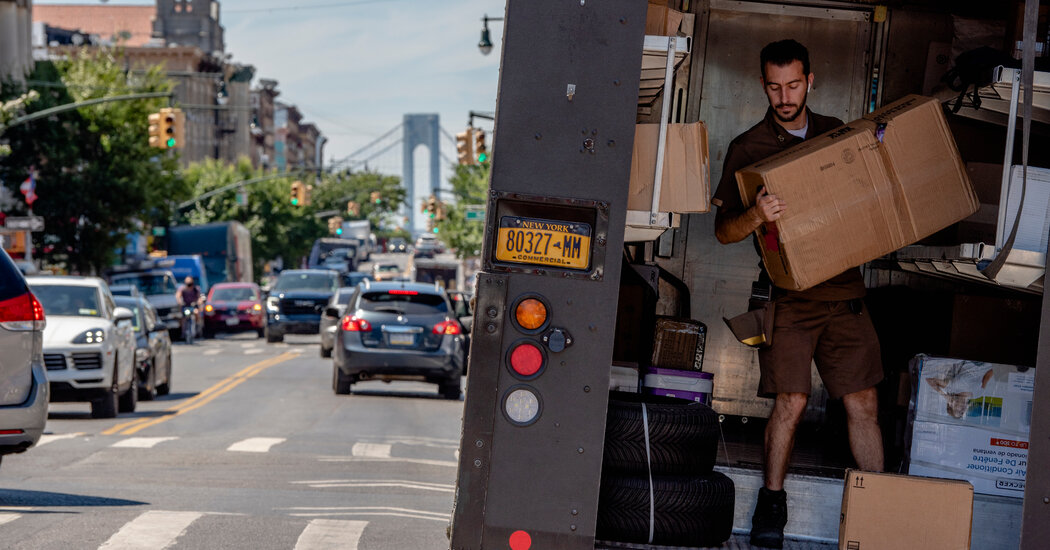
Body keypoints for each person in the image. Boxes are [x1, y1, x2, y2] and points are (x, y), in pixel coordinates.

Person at [711, 39, 884, 549]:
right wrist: (756, 215)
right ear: (762, 84)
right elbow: (723, 231)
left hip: (846, 292)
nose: (784, 96)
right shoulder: (748, 148)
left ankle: (877, 503)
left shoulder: (838, 137)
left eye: (793, 85)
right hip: (788, 297)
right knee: (790, 400)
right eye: (774, 86)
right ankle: (772, 505)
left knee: (864, 401)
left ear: (810, 81)